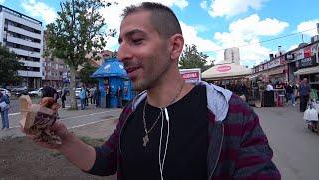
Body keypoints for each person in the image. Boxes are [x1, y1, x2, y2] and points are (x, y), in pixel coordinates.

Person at [23, 2, 280, 179]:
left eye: (136, 41)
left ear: (175, 47)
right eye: (121, 43)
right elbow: (105, 161)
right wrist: (64, 140)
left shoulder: (228, 113)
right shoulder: (132, 112)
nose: (122, 54)